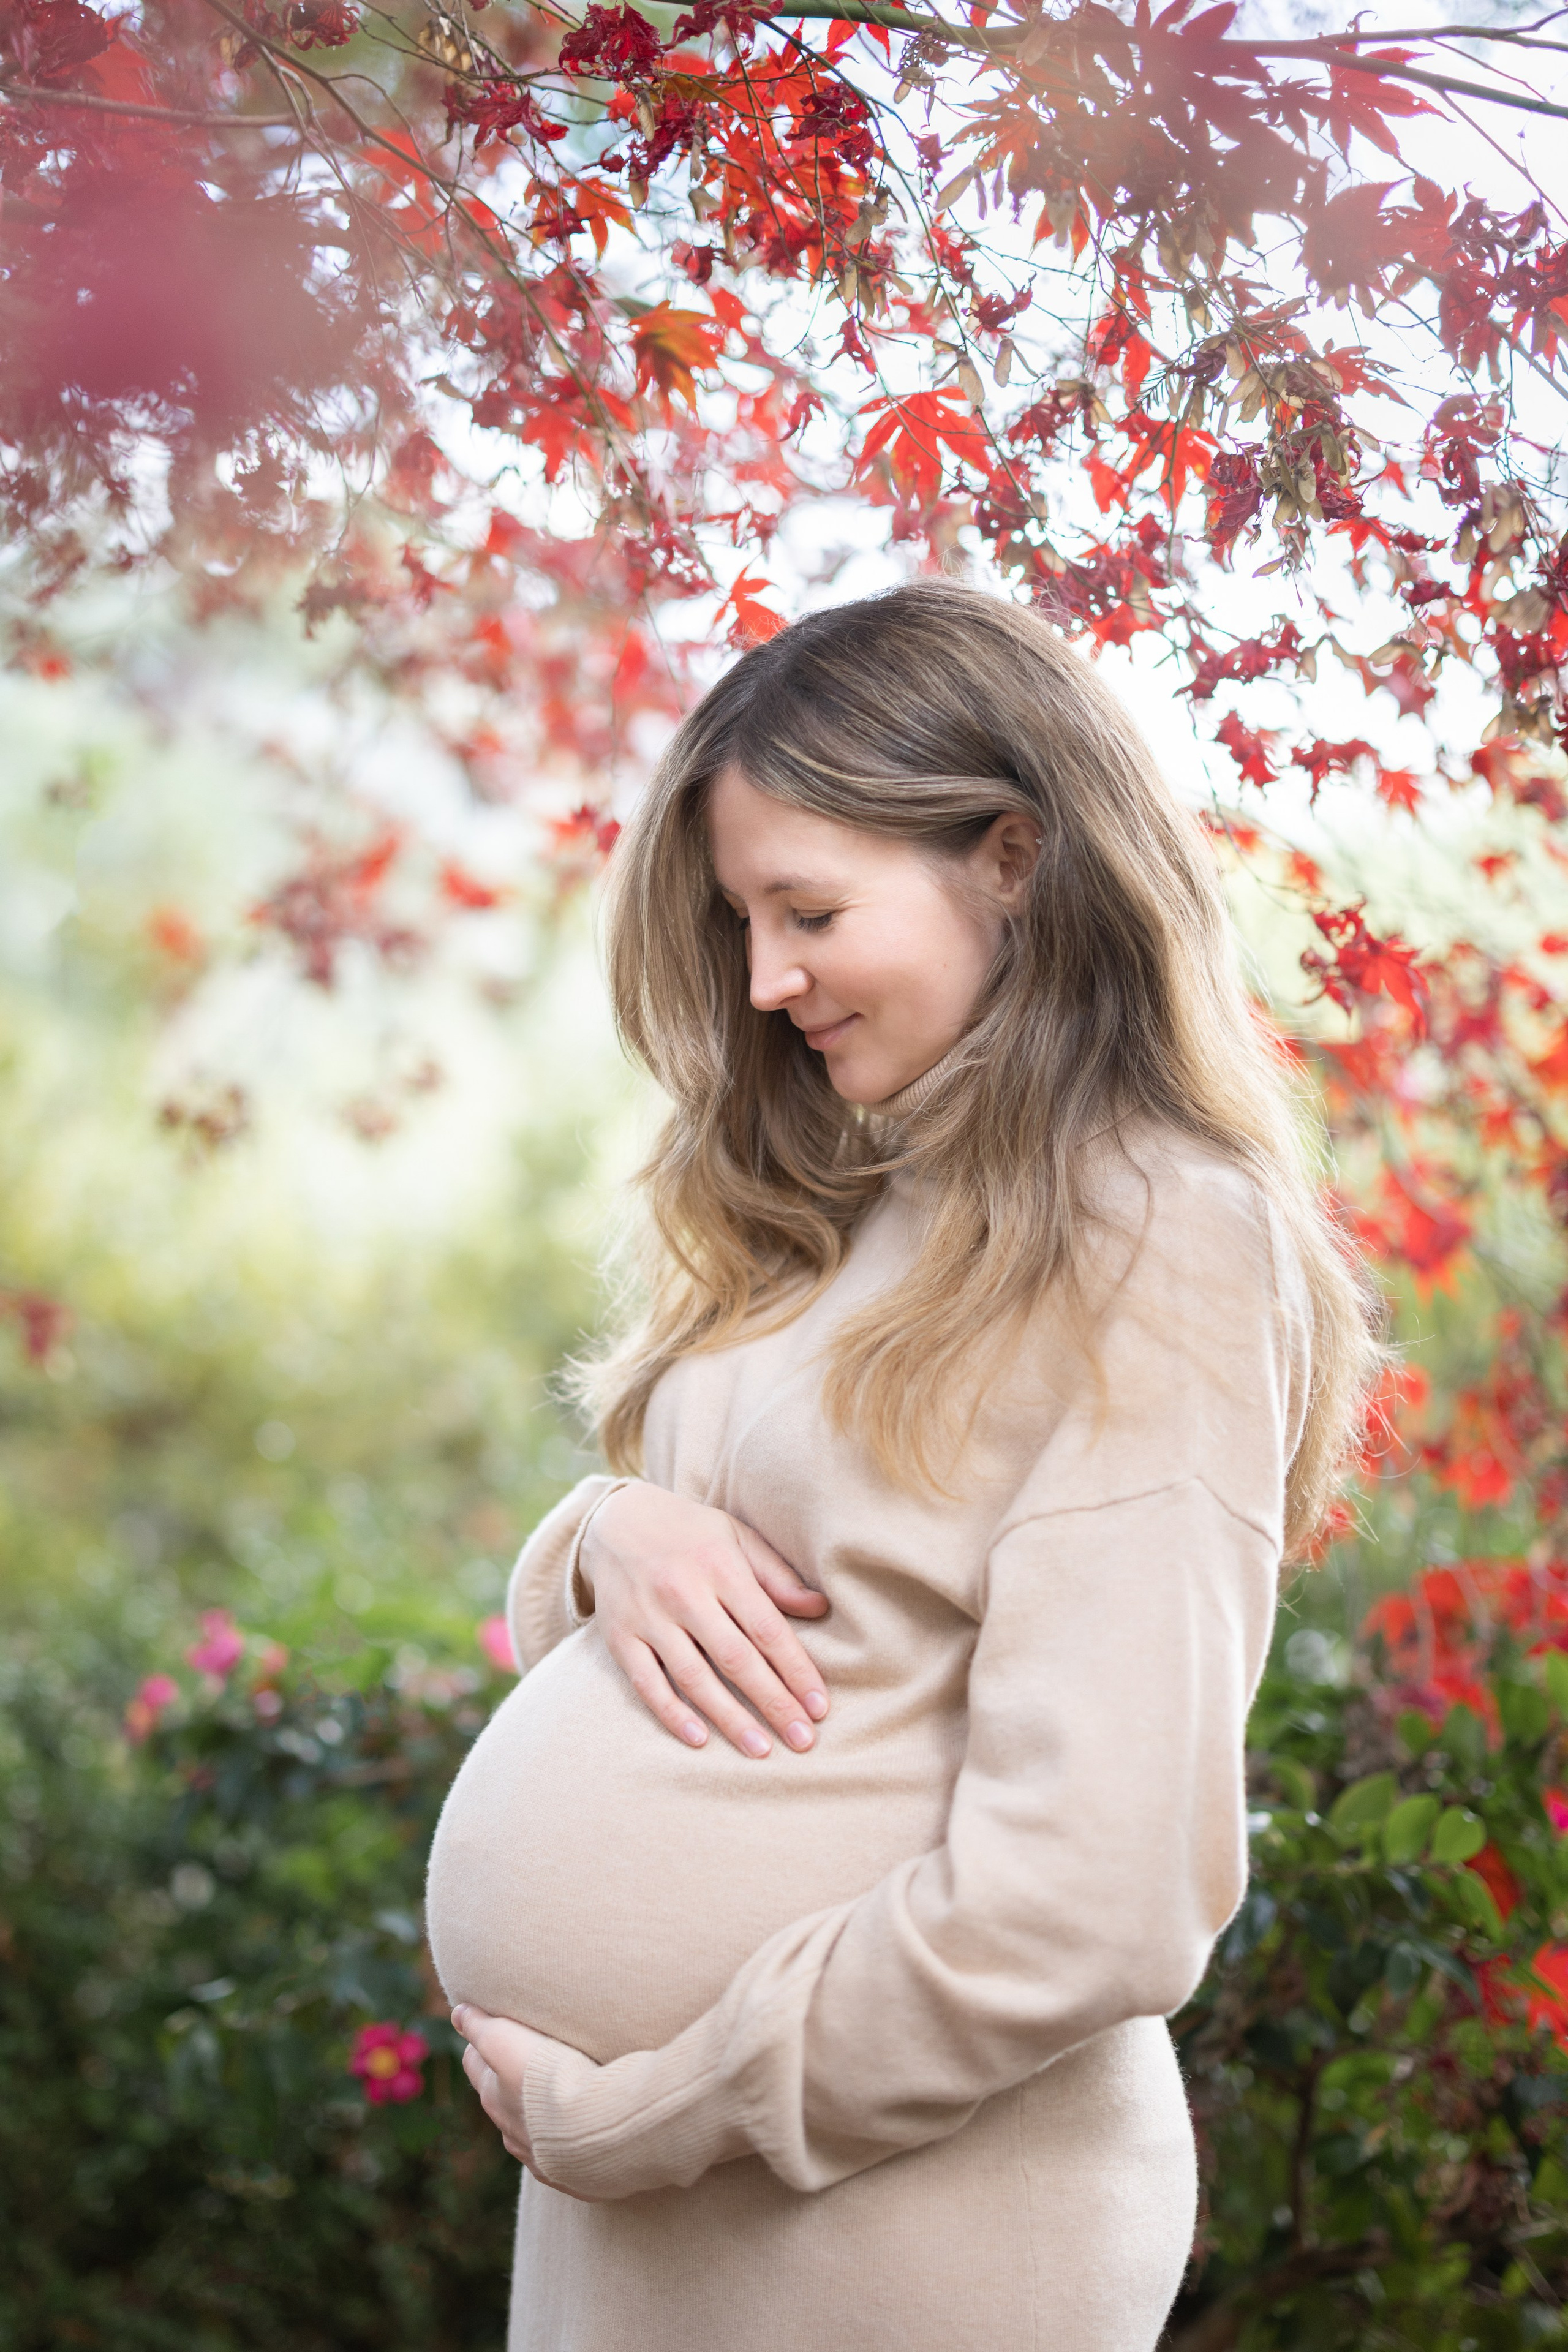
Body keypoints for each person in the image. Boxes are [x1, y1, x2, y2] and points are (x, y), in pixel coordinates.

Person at [424, 580, 1380, 2352]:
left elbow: (1093, 1902)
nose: (767, 979)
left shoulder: (1153, 1232)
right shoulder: (846, 1195)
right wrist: (597, 1539)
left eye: (810, 911)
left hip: (888, 2222)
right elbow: (753, 1616)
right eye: (740, 922)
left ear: (1013, 858)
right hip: (645, 2213)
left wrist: (662, 2112)